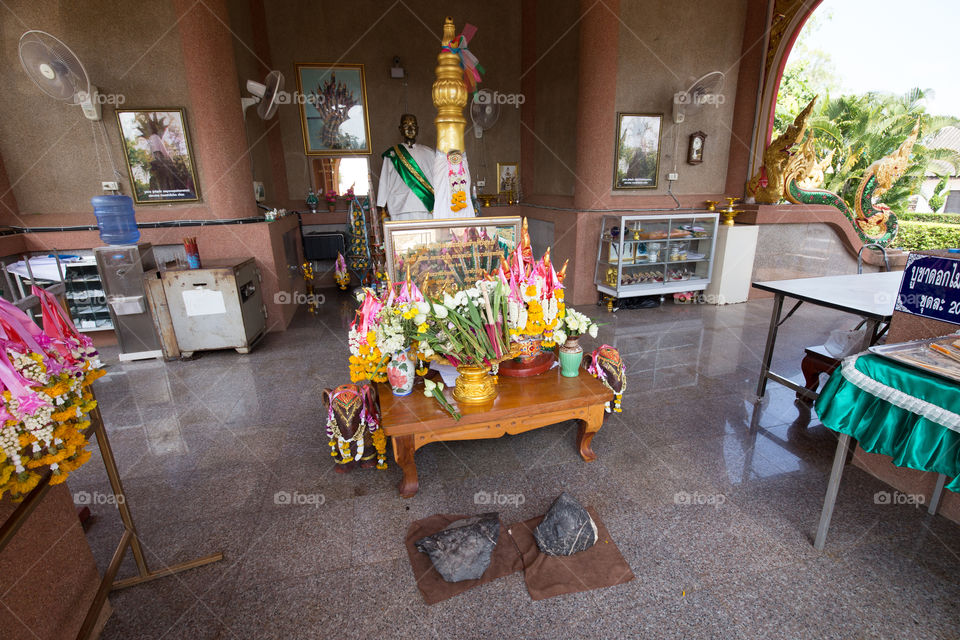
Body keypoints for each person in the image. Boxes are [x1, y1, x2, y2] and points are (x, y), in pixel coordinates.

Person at [377, 115, 435, 221]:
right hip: (400, 207)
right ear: (400, 129)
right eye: (405, 125)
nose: (410, 129)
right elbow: (384, 180)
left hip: (425, 206)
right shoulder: (392, 154)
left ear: (417, 129)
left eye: (413, 125)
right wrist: (381, 204)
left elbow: (437, 179)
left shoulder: (429, 153)